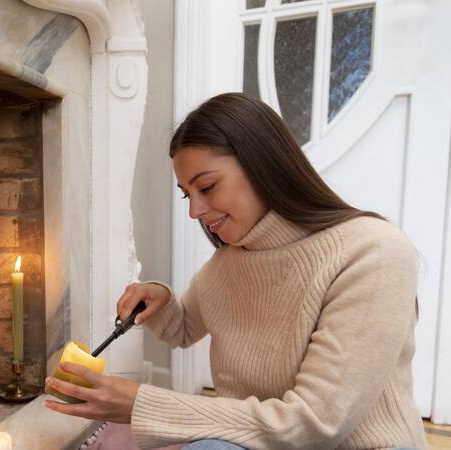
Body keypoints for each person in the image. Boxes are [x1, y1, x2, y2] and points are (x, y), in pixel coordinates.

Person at [43, 93, 427, 450]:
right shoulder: (230, 262)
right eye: (186, 194)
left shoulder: (373, 252)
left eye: (207, 187)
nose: (194, 211)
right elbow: (185, 325)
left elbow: (314, 422)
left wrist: (140, 405)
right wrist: (160, 300)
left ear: (264, 164)